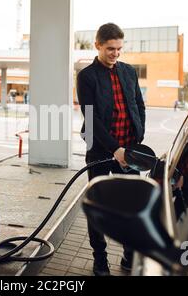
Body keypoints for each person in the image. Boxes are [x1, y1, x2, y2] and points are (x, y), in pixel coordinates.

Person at [77, 23, 146, 276]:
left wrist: (137, 139)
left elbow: (139, 105)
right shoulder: (87, 76)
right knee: (98, 206)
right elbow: (91, 118)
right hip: (100, 151)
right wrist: (115, 149)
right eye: (110, 49)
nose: (115, 53)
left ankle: (129, 254)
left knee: (133, 205)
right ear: (98, 45)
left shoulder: (128, 72)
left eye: (118, 48)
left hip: (130, 151)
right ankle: (100, 258)